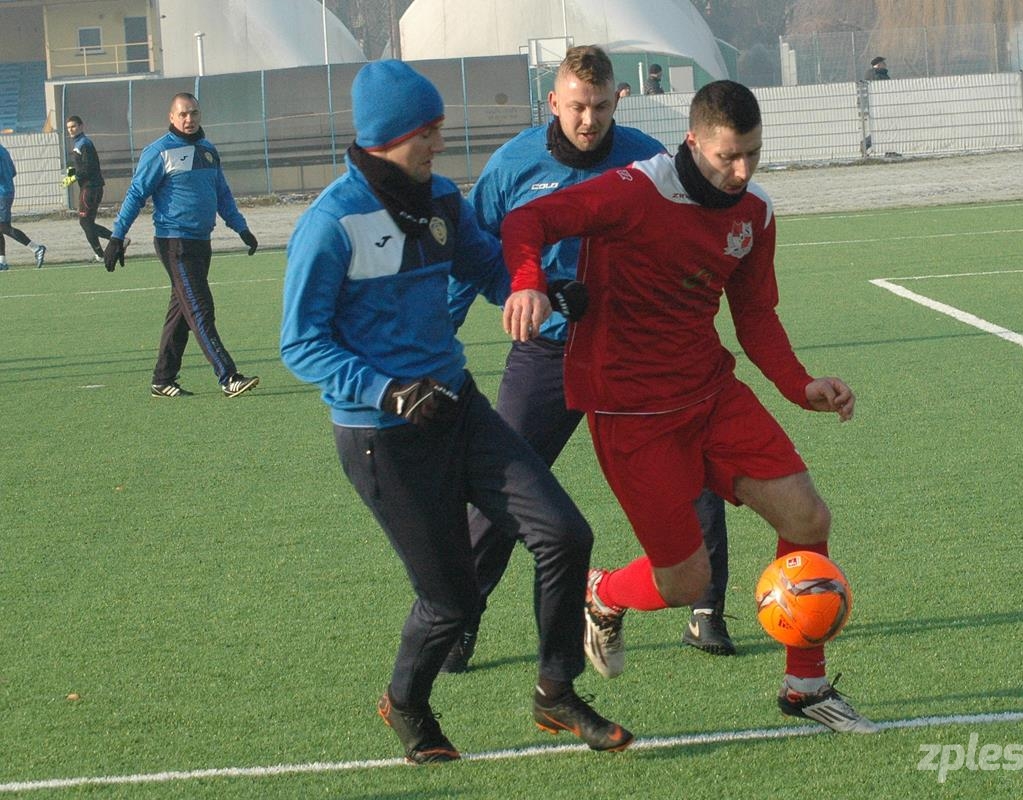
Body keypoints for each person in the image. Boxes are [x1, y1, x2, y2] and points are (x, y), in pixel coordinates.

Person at [280, 59, 633, 764]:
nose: (439, 143)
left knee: (563, 534)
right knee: (452, 602)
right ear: (388, 136)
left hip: (458, 408)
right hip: (383, 436)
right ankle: (405, 703)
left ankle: (555, 693)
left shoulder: (440, 199)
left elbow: (486, 268)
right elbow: (301, 343)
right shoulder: (329, 223)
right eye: (428, 132)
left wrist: (545, 291)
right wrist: (386, 390)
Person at [499, 80, 877, 734]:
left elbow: (754, 317)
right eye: (728, 156)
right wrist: (530, 280)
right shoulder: (631, 192)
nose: (741, 171)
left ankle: (804, 685)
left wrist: (800, 385)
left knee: (807, 515)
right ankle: (603, 593)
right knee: (683, 582)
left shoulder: (753, 214)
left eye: (753, 155)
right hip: (630, 415)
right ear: (692, 141)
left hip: (709, 395)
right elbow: (527, 219)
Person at [444, 44, 737, 674]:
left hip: (634, 354)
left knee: (693, 468)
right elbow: (475, 253)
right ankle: (458, 621)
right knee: (503, 488)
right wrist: (456, 329)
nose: (588, 120)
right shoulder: (512, 165)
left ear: (616, 102)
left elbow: (689, 236)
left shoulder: (647, 159)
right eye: (577, 106)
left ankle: (706, 610)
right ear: (554, 101)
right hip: (547, 353)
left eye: (600, 107)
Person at [104, 93, 260, 399]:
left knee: (182, 312)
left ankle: (162, 379)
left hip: (202, 241)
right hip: (175, 242)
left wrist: (241, 228)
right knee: (201, 309)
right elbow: (136, 194)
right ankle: (228, 376)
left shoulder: (208, 150)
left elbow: (222, 194)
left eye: (194, 113)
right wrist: (116, 236)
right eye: (183, 114)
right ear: (172, 118)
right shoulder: (160, 151)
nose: (189, 120)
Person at [62, 116, 114, 262]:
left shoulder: (84, 143)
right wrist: (72, 171)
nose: (71, 130)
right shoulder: (79, 143)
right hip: (89, 187)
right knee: (87, 223)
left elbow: (89, 167)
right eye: (68, 128)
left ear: (81, 126)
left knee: (85, 223)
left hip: (90, 188)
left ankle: (102, 253)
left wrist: (74, 176)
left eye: (73, 126)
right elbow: (82, 165)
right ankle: (114, 244)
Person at [0, 141, 47, 270]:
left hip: (2, 193)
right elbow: (13, 172)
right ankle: (2, 262)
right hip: (7, 191)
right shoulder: (3, 150)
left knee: (3, 227)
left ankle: (36, 248)